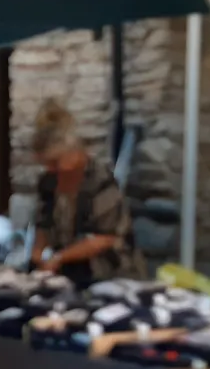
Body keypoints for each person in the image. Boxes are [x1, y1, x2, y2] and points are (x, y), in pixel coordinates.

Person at [30, 98, 146, 285]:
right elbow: (43, 224)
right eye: (46, 164)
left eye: (55, 163)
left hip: (111, 275)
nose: (50, 170)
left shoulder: (99, 181)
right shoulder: (48, 182)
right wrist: (37, 253)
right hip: (68, 274)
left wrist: (59, 258)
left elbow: (103, 238)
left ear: (74, 154)